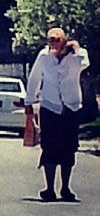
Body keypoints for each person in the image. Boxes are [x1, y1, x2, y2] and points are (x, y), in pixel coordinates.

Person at [24, 27, 90, 202]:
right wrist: (29, 103)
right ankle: (50, 188)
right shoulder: (44, 56)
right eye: (50, 40)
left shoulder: (76, 56)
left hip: (71, 108)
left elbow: (85, 62)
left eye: (56, 40)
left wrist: (75, 49)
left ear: (64, 41)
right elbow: (35, 78)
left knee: (69, 148)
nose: (53, 44)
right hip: (50, 107)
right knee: (49, 148)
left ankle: (66, 188)